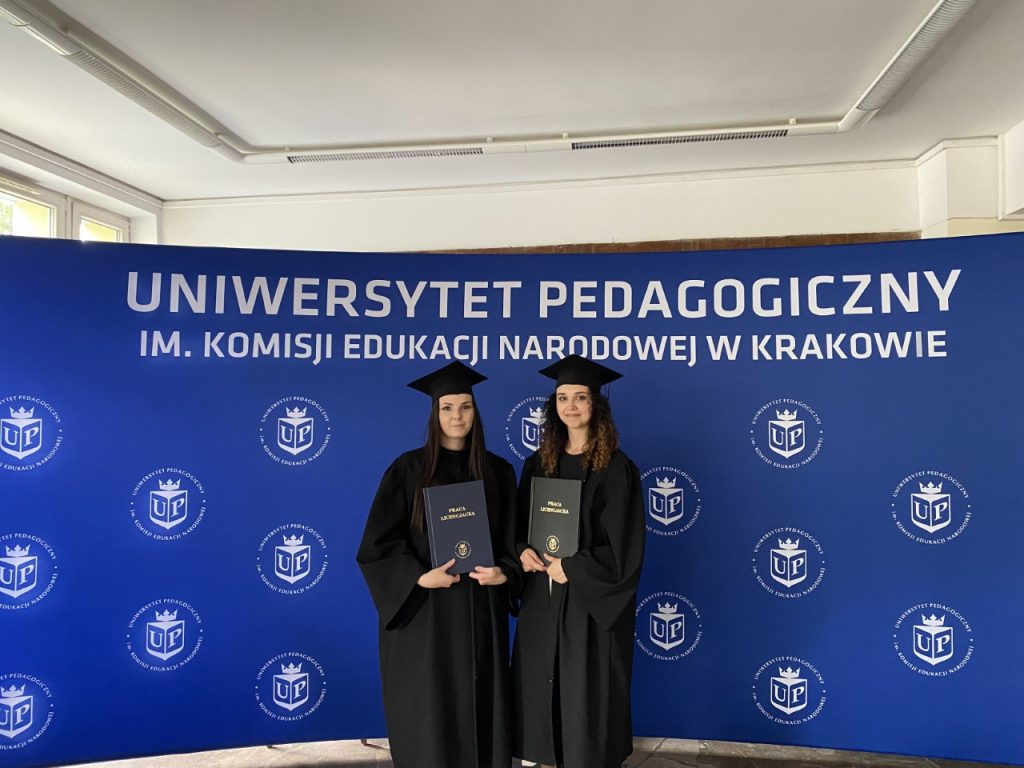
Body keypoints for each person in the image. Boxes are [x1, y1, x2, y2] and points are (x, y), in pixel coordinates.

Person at [356, 361, 521, 768]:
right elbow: (378, 545)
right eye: (447, 408)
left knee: (482, 710)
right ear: (435, 413)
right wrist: (419, 578)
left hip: (480, 613)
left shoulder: (498, 472)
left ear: (475, 412)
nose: (457, 417)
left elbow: (514, 542)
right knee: (431, 714)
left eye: (465, 407)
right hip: (426, 619)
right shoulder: (407, 470)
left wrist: (504, 572)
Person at [512, 355, 646, 768]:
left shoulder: (617, 469)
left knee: (585, 692)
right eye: (563, 398)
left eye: (580, 397)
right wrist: (521, 550)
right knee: (540, 685)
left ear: (596, 405)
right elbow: (517, 527)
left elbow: (624, 550)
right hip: (542, 597)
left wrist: (571, 567)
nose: (570, 406)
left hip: (588, 605)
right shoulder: (538, 464)